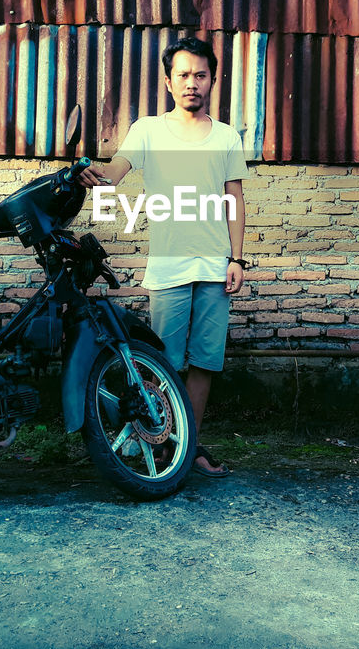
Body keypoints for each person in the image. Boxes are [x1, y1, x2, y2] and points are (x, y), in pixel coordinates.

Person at [77, 37, 249, 478]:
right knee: (164, 363)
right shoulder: (148, 130)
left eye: (201, 75)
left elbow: (234, 198)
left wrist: (238, 259)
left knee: (205, 362)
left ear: (213, 80)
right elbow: (118, 169)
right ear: (169, 81)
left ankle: (186, 448)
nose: (193, 83)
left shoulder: (227, 136)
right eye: (184, 75)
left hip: (215, 266)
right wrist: (98, 176)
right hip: (170, 266)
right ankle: (153, 441)